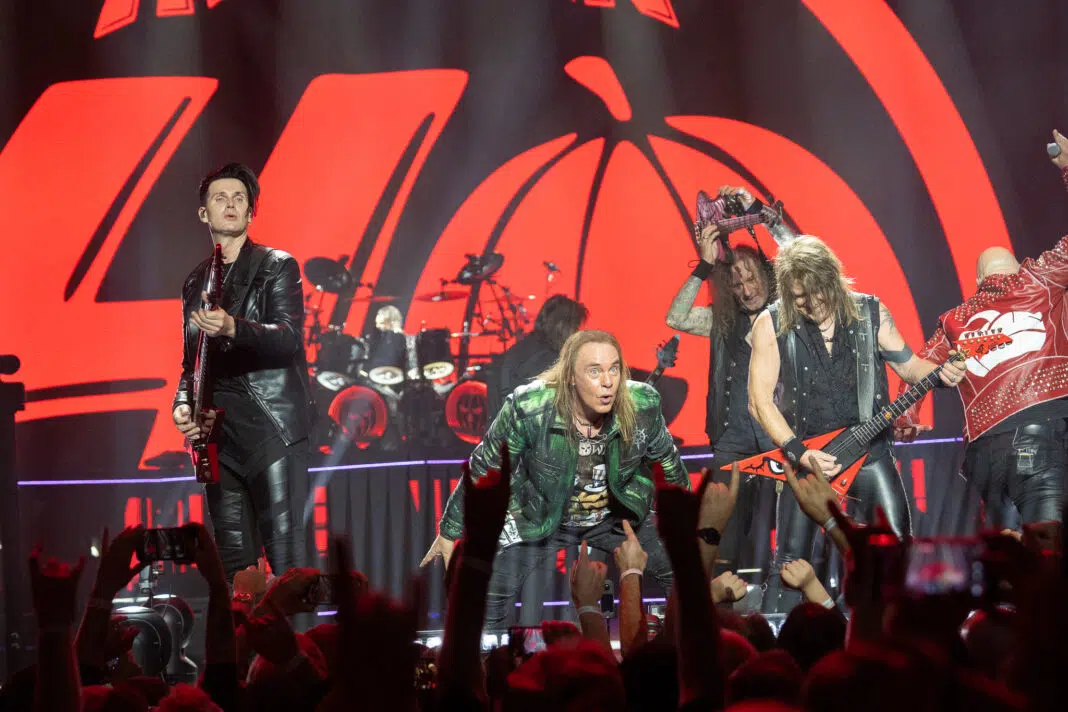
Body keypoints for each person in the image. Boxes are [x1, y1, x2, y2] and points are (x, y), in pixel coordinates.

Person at [747, 235, 965, 612]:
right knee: (791, 562)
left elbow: (911, 368)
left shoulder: (870, 313)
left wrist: (943, 373)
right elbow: (758, 401)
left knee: (896, 549)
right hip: (809, 460)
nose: (809, 303)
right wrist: (800, 453)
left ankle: (892, 630)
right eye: (799, 296)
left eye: (816, 292)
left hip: (870, 453)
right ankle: (782, 636)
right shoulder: (772, 322)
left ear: (832, 279)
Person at [420, 329, 689, 627]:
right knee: (486, 591)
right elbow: (485, 465)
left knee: (685, 573)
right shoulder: (530, 407)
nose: (608, 381)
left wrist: (686, 527)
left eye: (614, 369)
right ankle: (487, 651)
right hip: (542, 514)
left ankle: (687, 645)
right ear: (570, 376)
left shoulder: (642, 403)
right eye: (595, 371)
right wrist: (450, 531)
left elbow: (669, 462)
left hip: (617, 515)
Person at [894, 129, 1068, 528]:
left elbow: (914, 372)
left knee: (1004, 556)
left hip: (984, 452)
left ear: (977, 282)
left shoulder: (954, 319)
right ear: (1019, 265)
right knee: (1046, 553)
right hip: (1042, 429)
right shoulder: (1038, 278)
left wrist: (905, 420)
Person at [172, 162, 313, 581]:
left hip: (271, 429)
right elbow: (191, 362)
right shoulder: (194, 282)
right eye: (220, 198)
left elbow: (289, 339)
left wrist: (234, 327)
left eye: (239, 198)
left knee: (288, 568)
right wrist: (182, 405)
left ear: (251, 212)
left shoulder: (277, 265)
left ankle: (297, 629)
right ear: (204, 213)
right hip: (220, 438)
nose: (231, 204)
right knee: (237, 572)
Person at [666, 184, 796, 583]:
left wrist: (756, 207)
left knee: (788, 519)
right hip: (732, 436)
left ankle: (786, 590)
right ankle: (717, 592)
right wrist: (705, 266)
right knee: (720, 522)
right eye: (737, 284)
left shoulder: (787, 312)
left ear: (767, 275)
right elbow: (675, 317)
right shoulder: (722, 320)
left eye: (751, 278)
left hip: (780, 431)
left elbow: (799, 252)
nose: (746, 289)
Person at [485, 294, 589, 420]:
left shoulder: (522, 348)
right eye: (576, 327)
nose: (577, 334)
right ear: (564, 327)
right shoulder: (549, 361)